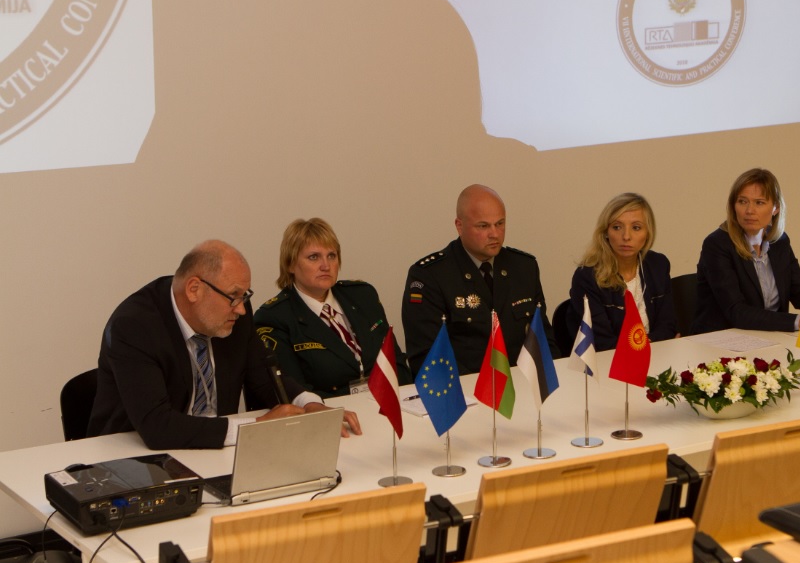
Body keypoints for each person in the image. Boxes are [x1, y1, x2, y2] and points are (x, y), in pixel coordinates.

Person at [88, 240, 361, 450]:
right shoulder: (135, 326)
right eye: (233, 296)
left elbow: (264, 378)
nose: (241, 308)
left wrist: (309, 404)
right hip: (132, 461)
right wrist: (255, 427)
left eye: (244, 296)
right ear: (194, 289)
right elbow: (157, 427)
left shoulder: (235, 313)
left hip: (216, 452)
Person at [402, 184, 559, 375]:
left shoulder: (524, 267)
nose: (495, 234)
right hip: (464, 388)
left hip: (522, 383)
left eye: (500, 223)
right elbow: (427, 356)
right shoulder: (430, 276)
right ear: (459, 226)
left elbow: (544, 340)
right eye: (483, 226)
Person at [254, 218, 410, 398]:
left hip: (387, 403)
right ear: (290, 264)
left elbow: (396, 363)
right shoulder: (275, 317)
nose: (326, 266)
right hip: (332, 411)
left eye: (331, 256)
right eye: (314, 257)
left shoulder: (363, 296)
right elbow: (295, 393)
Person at [691, 168, 800, 334]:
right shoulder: (717, 245)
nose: (749, 210)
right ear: (733, 206)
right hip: (721, 338)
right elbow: (736, 311)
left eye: (759, 203)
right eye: (742, 201)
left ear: (776, 208)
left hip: (770, 337)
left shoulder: (779, 242)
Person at [565, 193, 677, 350]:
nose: (626, 236)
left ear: (648, 233)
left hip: (656, 355)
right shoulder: (587, 276)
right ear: (605, 232)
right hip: (610, 361)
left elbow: (668, 325)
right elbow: (602, 342)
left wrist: (647, 347)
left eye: (636, 227)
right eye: (617, 227)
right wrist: (644, 348)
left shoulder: (658, 265)